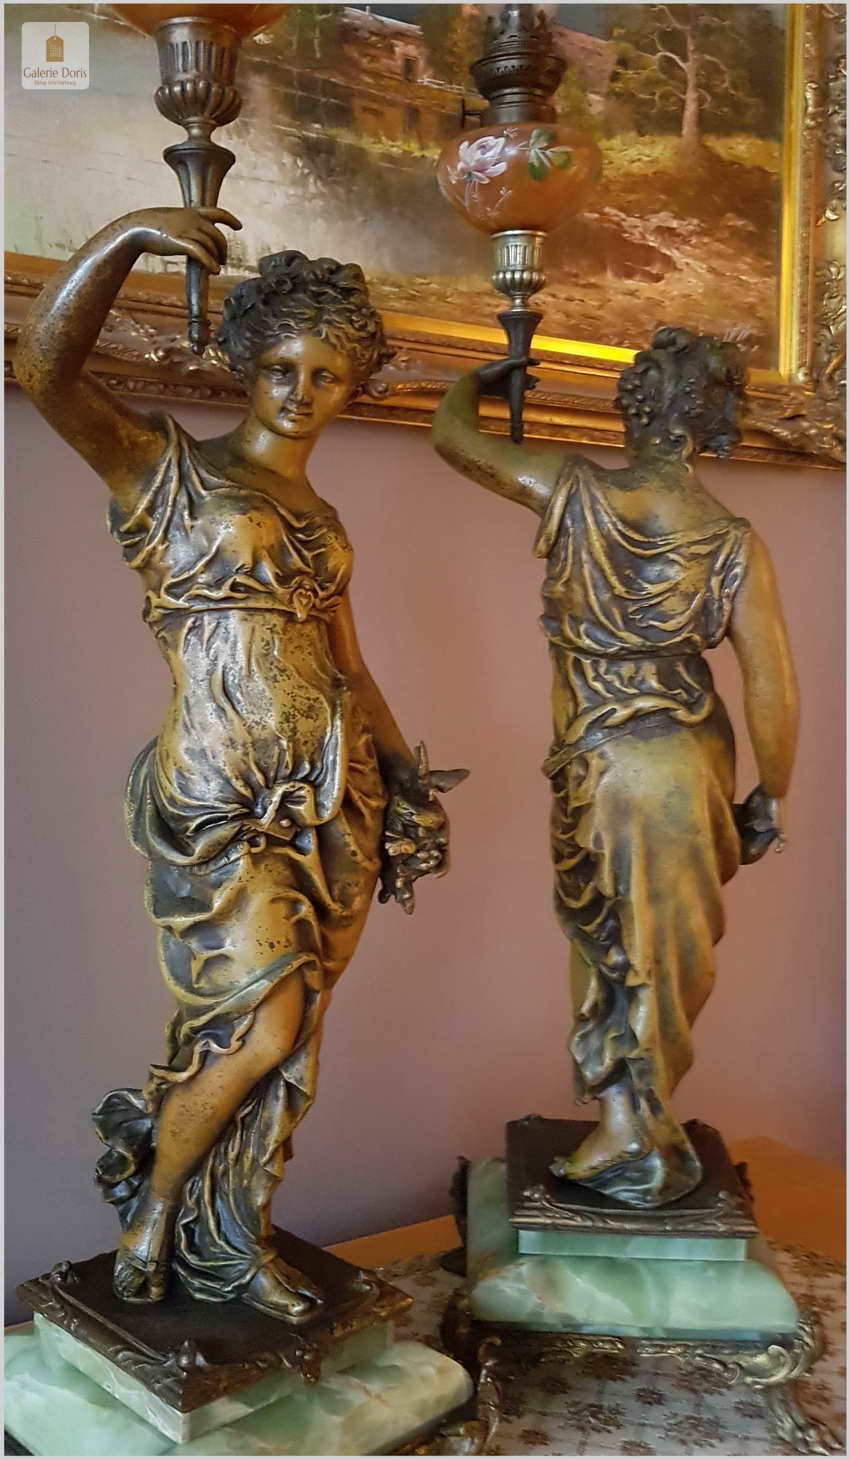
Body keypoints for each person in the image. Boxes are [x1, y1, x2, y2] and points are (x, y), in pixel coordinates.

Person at [16, 206, 464, 1317]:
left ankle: (236, 1233)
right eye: (280, 367)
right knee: (255, 1023)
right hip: (224, 796)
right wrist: (126, 239)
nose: (300, 391)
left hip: (338, 795)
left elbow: (349, 664)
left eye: (326, 375)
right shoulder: (166, 473)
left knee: (294, 1037)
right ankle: (156, 1208)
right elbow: (44, 369)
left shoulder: (323, 512)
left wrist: (407, 776)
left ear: (351, 386)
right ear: (245, 362)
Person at [432, 327, 798, 1208]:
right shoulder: (732, 541)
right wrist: (772, 793)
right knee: (663, 952)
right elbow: (771, 685)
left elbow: (455, 441)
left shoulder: (576, 491)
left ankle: (632, 1126)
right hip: (687, 759)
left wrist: (477, 379)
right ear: (708, 421)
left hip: (599, 761)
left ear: (633, 413)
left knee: (609, 939)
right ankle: (635, 1126)